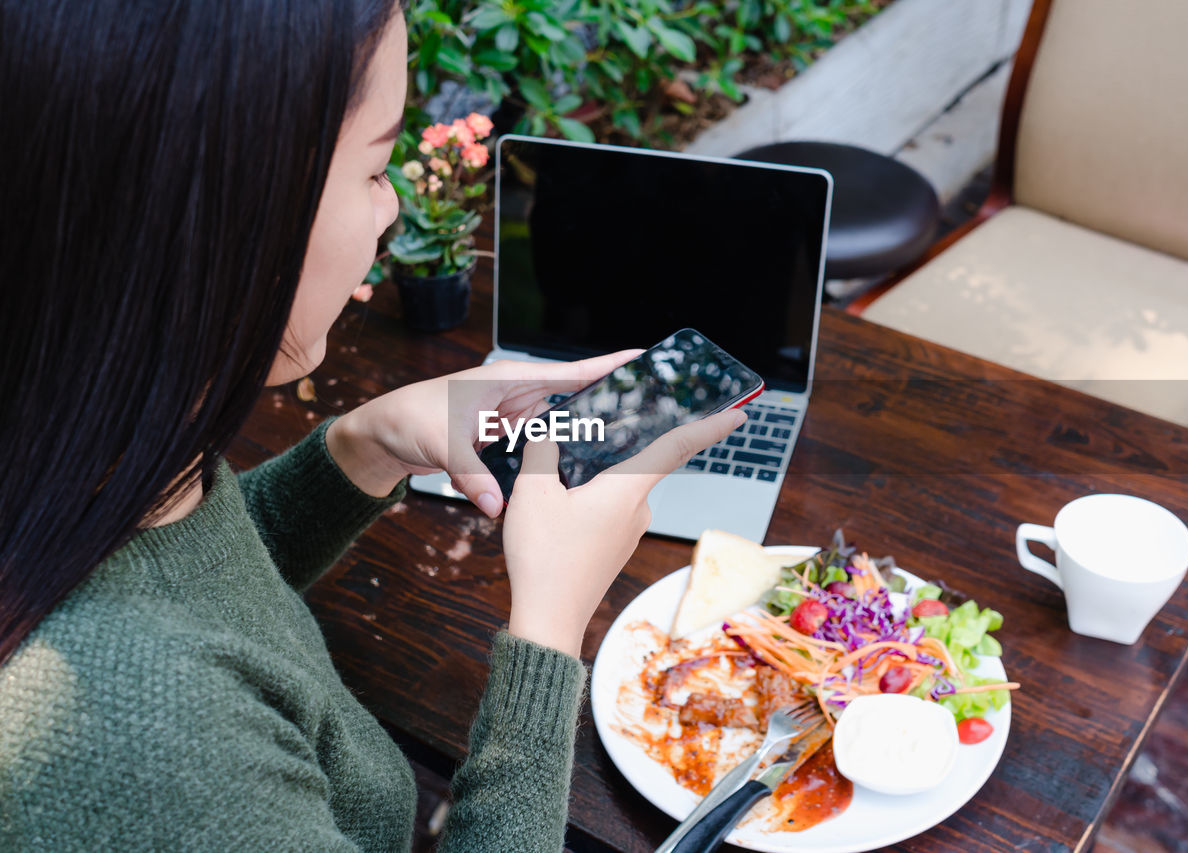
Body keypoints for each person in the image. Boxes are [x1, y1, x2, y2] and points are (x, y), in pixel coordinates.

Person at [0, 1, 745, 850]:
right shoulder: (138, 747)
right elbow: (171, 665)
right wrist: (547, 629)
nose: (392, 212)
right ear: (221, 221)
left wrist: (366, 446)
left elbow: (201, 600)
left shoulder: (98, 452)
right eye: (375, 168)